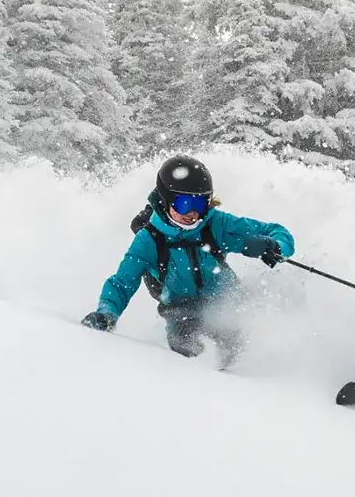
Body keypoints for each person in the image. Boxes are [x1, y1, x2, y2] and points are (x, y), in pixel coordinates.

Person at [81, 154, 295, 367]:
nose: (192, 213)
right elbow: (122, 282)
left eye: (200, 204)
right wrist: (106, 314)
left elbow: (277, 232)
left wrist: (273, 246)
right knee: (193, 351)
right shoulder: (149, 240)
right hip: (182, 313)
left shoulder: (216, 224)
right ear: (165, 200)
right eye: (184, 204)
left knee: (241, 347)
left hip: (227, 303)